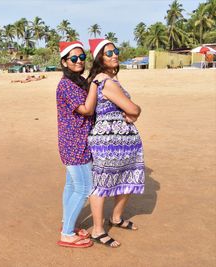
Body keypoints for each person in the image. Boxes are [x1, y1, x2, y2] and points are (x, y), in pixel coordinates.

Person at [87, 38, 145, 248]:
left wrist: (131, 113)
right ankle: (97, 229)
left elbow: (130, 111)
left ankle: (116, 218)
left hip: (123, 140)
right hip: (109, 141)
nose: (114, 55)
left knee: (126, 177)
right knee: (102, 183)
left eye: (115, 51)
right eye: (108, 53)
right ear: (99, 59)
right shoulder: (105, 80)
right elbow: (133, 109)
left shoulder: (111, 78)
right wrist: (134, 112)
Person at [56, 41, 98, 248]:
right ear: (64, 62)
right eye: (73, 58)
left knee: (72, 185)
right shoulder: (66, 84)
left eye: (82, 57)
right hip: (75, 143)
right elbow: (87, 110)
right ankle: (66, 234)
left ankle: (68, 223)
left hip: (73, 140)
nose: (79, 61)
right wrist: (97, 85)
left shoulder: (78, 81)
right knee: (84, 188)